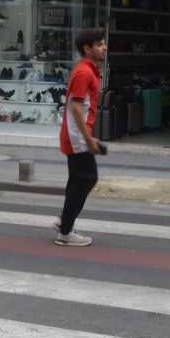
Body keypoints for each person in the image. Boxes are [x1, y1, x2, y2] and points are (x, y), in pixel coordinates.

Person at [55, 29, 106, 247]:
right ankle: (65, 232)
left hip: (77, 136)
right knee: (86, 179)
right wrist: (88, 140)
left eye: (104, 44)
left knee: (78, 180)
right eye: (99, 44)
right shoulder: (84, 72)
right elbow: (75, 107)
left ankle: (64, 222)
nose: (104, 47)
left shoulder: (88, 70)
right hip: (77, 138)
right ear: (87, 48)